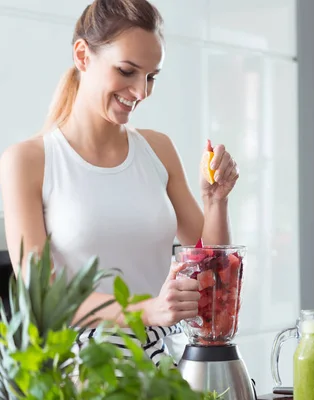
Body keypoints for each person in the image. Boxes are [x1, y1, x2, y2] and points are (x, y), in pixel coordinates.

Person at [0, 0, 239, 365]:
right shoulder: (28, 161)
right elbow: (42, 299)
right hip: (85, 362)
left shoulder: (157, 149)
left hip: (169, 347)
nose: (141, 92)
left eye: (151, 76)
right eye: (127, 71)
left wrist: (216, 201)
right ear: (83, 55)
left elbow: (213, 267)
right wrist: (146, 310)